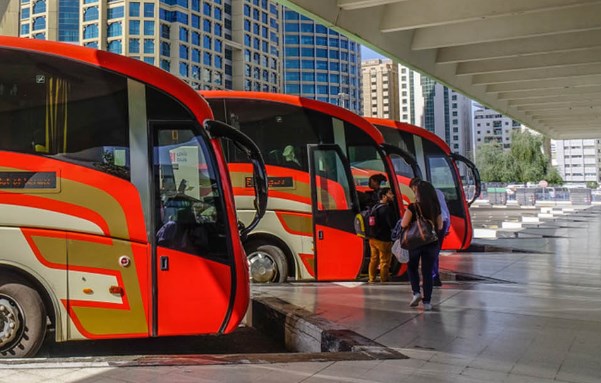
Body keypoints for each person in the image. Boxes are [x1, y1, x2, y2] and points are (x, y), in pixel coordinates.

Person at [401, 180, 442, 310]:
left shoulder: (413, 207)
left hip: (415, 242)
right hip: (431, 242)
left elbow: (403, 224)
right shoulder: (436, 207)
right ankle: (427, 302)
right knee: (427, 272)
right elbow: (440, 226)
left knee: (412, 268)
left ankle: (416, 292)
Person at [409, 177, 450, 287]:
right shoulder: (438, 192)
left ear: (415, 187)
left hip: (429, 225)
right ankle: (434, 276)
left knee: (427, 252)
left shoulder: (420, 196)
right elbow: (445, 210)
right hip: (441, 222)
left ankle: (432, 277)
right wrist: (447, 227)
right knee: (434, 251)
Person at [367, 187, 396, 283]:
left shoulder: (374, 207)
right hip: (384, 239)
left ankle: (371, 278)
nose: (392, 196)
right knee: (384, 261)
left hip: (372, 238)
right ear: (384, 196)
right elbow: (392, 224)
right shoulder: (387, 209)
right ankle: (384, 279)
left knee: (373, 259)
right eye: (390, 193)